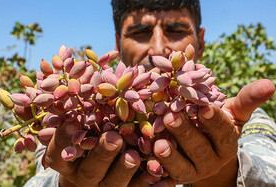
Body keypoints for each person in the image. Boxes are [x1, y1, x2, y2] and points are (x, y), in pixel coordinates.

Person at [24, 0, 276, 186]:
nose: (158, 48)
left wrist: (222, 174)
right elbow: (42, 176)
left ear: (200, 41)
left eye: (176, 31)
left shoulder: (241, 118)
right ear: (117, 44)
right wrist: (68, 182)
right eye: (140, 33)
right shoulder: (66, 118)